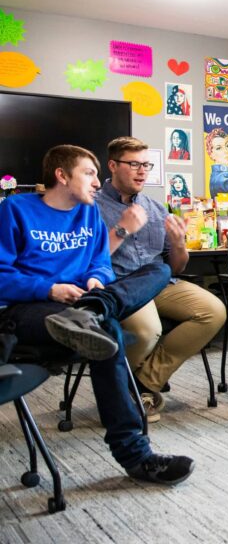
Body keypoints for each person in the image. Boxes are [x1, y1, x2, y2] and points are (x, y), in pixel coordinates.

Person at [0, 144, 194, 484]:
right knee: (109, 333)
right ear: (62, 175)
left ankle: (93, 309)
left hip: (80, 305)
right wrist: (50, 289)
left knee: (159, 270)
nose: (95, 182)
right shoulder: (16, 208)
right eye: (89, 173)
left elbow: (101, 264)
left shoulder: (88, 214)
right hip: (28, 310)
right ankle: (137, 457)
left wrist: (96, 279)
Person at [97, 137, 226, 422]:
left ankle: (143, 384)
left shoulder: (156, 209)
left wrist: (179, 244)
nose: (142, 171)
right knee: (147, 330)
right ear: (113, 165)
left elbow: (176, 267)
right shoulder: (91, 206)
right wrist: (122, 229)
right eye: (134, 164)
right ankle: (120, 393)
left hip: (159, 283)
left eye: (147, 165)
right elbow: (89, 262)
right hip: (121, 286)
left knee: (213, 311)